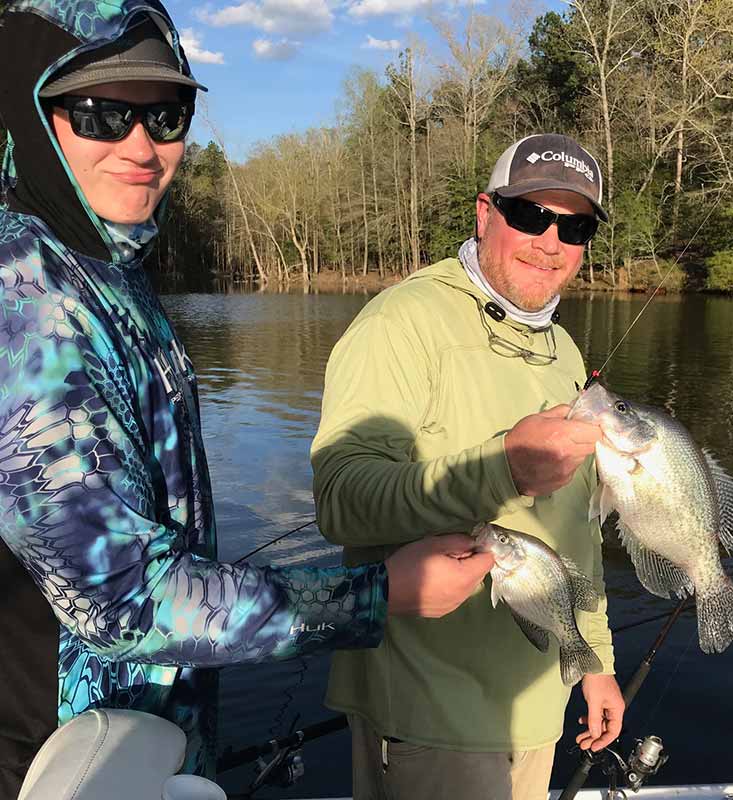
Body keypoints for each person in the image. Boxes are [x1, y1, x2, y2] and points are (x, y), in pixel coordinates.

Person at [0, 2, 495, 796]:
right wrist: (381, 594)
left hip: (146, 748)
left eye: (165, 113)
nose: (142, 146)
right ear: (33, 112)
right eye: (99, 113)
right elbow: (124, 601)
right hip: (57, 765)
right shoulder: (23, 299)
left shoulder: (108, 269)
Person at [311, 133, 626, 800]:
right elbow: (340, 497)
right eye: (530, 215)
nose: (551, 242)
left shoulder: (563, 349)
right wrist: (505, 467)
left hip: (540, 700)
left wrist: (593, 660)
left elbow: (578, 527)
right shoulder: (402, 323)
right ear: (486, 212)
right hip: (431, 714)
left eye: (574, 227)